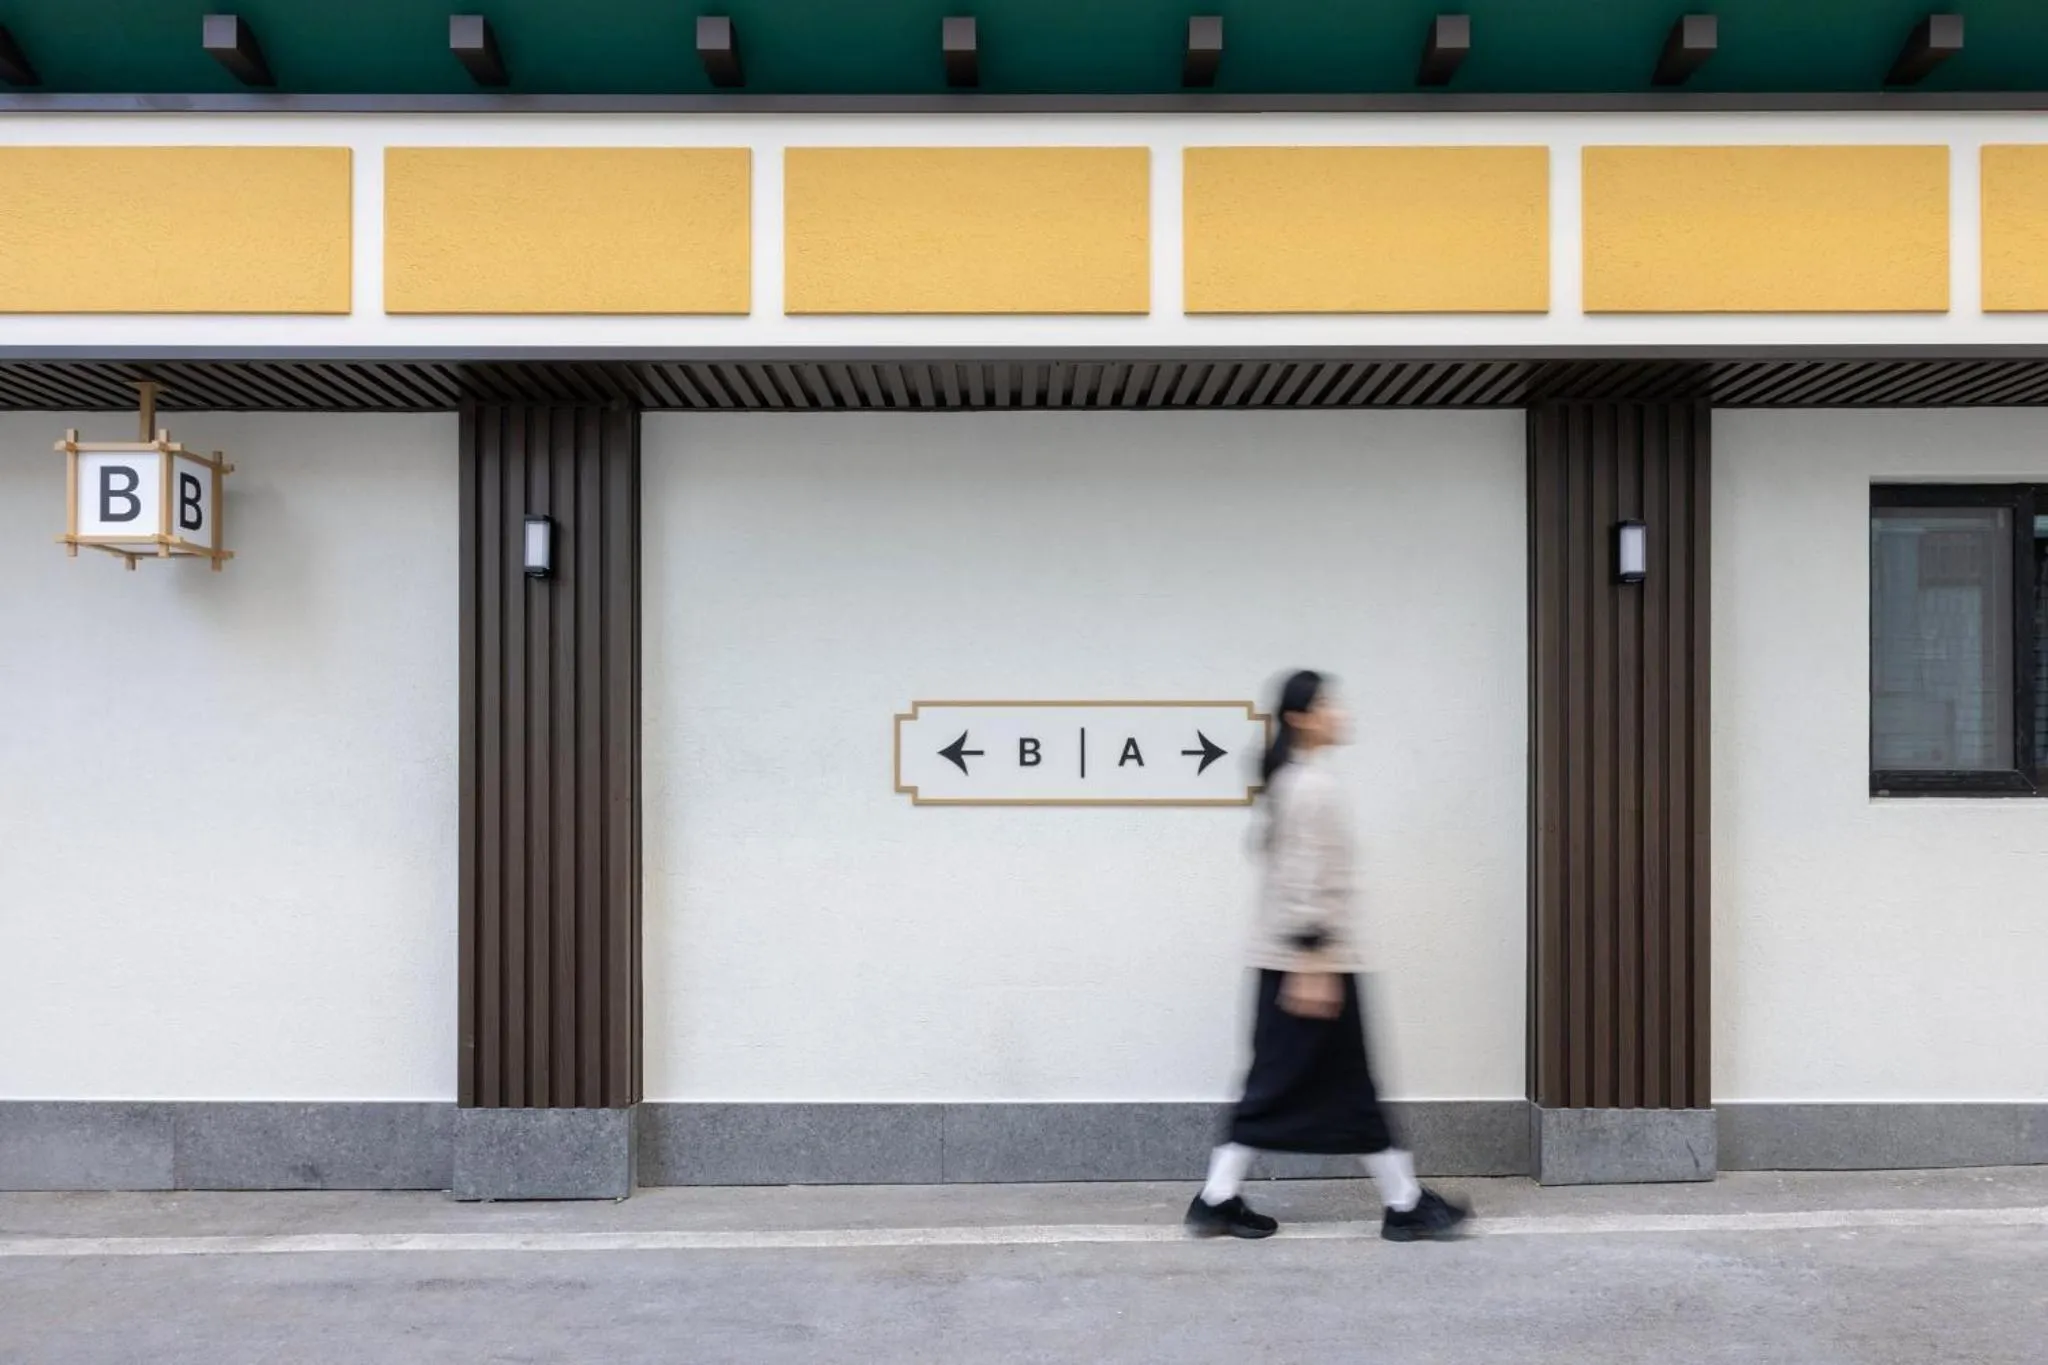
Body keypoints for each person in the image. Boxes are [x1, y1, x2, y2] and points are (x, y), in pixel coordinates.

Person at [1185, 669, 1470, 1242]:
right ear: (1300, 718)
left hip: (1301, 960)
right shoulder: (1310, 786)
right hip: (1311, 964)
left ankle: (1397, 1200)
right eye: (1325, 705)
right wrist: (1313, 959)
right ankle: (1400, 1203)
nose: (1338, 712)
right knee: (1291, 1086)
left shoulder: (1293, 782)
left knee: (1324, 1086)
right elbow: (1302, 879)